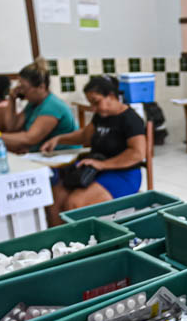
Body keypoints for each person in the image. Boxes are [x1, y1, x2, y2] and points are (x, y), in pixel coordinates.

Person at [39, 75, 146, 222]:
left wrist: (103, 165)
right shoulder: (101, 116)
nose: (94, 108)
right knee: (56, 198)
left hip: (123, 174)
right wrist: (58, 139)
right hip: (95, 169)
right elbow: (84, 136)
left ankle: (80, 236)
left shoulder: (131, 119)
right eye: (91, 104)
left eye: (96, 102)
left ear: (111, 96)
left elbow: (137, 153)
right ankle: (58, 236)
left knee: (74, 204)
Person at [0, 58, 76, 152]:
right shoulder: (32, 104)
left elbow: (30, 138)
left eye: (24, 87)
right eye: (20, 86)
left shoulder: (53, 106)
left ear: (41, 87)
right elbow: (12, 127)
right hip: (42, 155)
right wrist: (12, 99)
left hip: (64, 157)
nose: (21, 91)